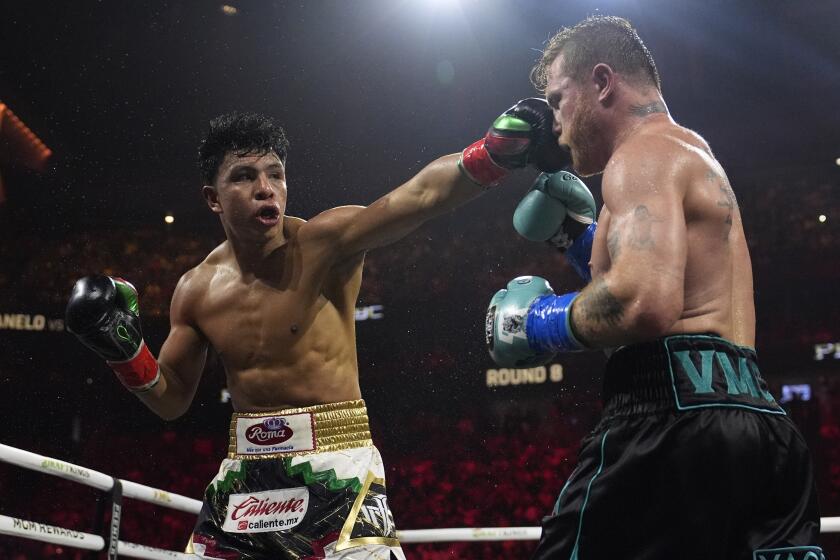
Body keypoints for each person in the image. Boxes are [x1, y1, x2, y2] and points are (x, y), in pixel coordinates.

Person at [65, 105, 566, 559]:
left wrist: (493, 155)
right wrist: (125, 352)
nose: (266, 188)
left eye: (275, 174)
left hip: (336, 459)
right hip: (244, 477)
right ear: (212, 198)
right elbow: (171, 399)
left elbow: (420, 196)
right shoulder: (194, 290)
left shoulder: (327, 244)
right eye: (244, 177)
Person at [485, 15, 824, 559]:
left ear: (602, 82)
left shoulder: (639, 155)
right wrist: (574, 237)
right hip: (761, 426)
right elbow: (662, 282)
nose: (555, 124)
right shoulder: (685, 153)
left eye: (557, 99)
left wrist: (535, 324)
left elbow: (643, 304)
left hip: (669, 423)